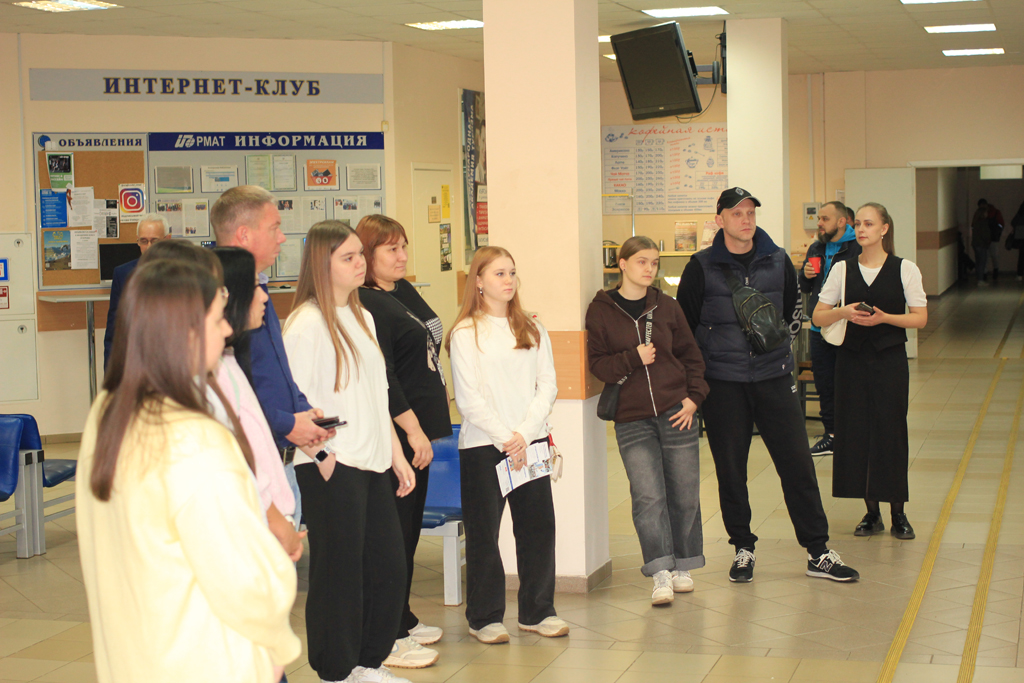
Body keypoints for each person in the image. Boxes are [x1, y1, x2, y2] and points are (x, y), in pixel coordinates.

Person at [77, 259, 300, 683]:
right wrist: (278, 634)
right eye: (217, 319)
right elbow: (242, 578)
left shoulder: (107, 414)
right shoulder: (196, 438)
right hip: (204, 659)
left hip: (135, 656)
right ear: (185, 332)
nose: (228, 328)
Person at [678, 187, 859, 583]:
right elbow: (684, 329)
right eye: (736, 213)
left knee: (798, 465)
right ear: (720, 219)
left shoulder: (777, 260)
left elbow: (793, 311)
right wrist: (698, 380)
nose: (745, 220)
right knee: (731, 469)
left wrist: (775, 352)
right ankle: (743, 547)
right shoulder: (700, 267)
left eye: (750, 213)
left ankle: (818, 551)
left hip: (774, 378)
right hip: (723, 383)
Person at [282, 220, 417, 683]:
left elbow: (378, 396)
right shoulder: (305, 324)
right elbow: (295, 404)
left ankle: (367, 663)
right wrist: (323, 458)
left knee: (387, 569)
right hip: (332, 464)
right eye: (349, 257)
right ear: (323, 264)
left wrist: (396, 455)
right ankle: (337, 670)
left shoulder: (363, 317)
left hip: (373, 461)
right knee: (339, 575)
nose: (361, 263)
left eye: (361, 254)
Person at [445, 246, 567, 643]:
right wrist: (506, 438)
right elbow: (469, 399)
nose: (509, 280)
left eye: (512, 272)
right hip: (484, 446)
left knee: (537, 529)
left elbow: (547, 385)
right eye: (499, 273)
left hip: (528, 443)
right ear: (478, 281)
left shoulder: (532, 328)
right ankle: (484, 617)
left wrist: (523, 435)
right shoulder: (465, 333)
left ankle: (537, 611)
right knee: (484, 534)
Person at [586, 235, 709, 606]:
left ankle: (683, 565)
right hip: (632, 418)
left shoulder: (667, 306)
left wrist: (694, 398)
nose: (649, 269)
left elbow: (692, 357)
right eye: (642, 261)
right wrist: (632, 358)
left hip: (676, 411)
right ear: (622, 264)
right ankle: (660, 571)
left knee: (684, 492)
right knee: (647, 496)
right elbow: (599, 365)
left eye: (654, 262)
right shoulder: (601, 310)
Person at [356, 215, 451, 668]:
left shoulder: (402, 290)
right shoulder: (366, 302)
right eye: (391, 249)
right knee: (391, 536)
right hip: (398, 430)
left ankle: (402, 616)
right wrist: (411, 429)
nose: (402, 256)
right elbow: (385, 374)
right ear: (367, 253)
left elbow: (427, 343)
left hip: (423, 427)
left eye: (404, 246)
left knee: (408, 531)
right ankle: (386, 633)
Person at [212, 185, 332, 533]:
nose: (282, 238)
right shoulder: (226, 300)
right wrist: (288, 423)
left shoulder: (259, 289)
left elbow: (277, 370)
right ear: (244, 234)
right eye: (274, 228)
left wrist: (303, 413)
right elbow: (235, 399)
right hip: (251, 467)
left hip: (280, 459)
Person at [813, 203, 927, 540]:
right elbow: (818, 316)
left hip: (889, 361)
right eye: (858, 224)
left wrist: (885, 318)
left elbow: (920, 318)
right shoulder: (842, 269)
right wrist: (843, 312)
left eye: (869, 224)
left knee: (891, 432)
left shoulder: (905, 268)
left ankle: (898, 513)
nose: (862, 230)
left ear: (884, 229)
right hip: (851, 362)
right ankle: (871, 512)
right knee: (856, 433)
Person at [214, 246, 305, 561]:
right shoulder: (216, 374)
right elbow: (240, 461)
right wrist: (277, 521)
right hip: (256, 521)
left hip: (271, 513)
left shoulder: (230, 362)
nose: (264, 296)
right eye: (255, 287)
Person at [799, 201, 861, 456]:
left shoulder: (857, 247)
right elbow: (805, 287)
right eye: (819, 218)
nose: (819, 223)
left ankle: (854, 435)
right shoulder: (817, 247)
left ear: (841, 221)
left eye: (825, 218)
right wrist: (805, 275)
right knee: (825, 384)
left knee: (851, 383)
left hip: (848, 327)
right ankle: (832, 435)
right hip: (819, 328)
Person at [102, 213, 169, 368]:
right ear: (137, 241)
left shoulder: (183, 272)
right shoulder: (123, 274)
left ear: (167, 240)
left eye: (155, 241)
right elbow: (114, 330)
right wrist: (111, 374)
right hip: (135, 364)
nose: (149, 247)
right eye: (144, 241)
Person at [972, 199, 993, 284]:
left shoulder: (976, 222)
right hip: (982, 244)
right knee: (982, 262)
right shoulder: (983, 222)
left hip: (976, 244)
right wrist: (988, 241)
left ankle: (979, 278)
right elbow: (985, 234)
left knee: (978, 262)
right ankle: (981, 280)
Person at [1009, 199, 1024, 281]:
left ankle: (1019, 274)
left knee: (1021, 256)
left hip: (1021, 237)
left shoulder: (1019, 215)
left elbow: (1013, 222)